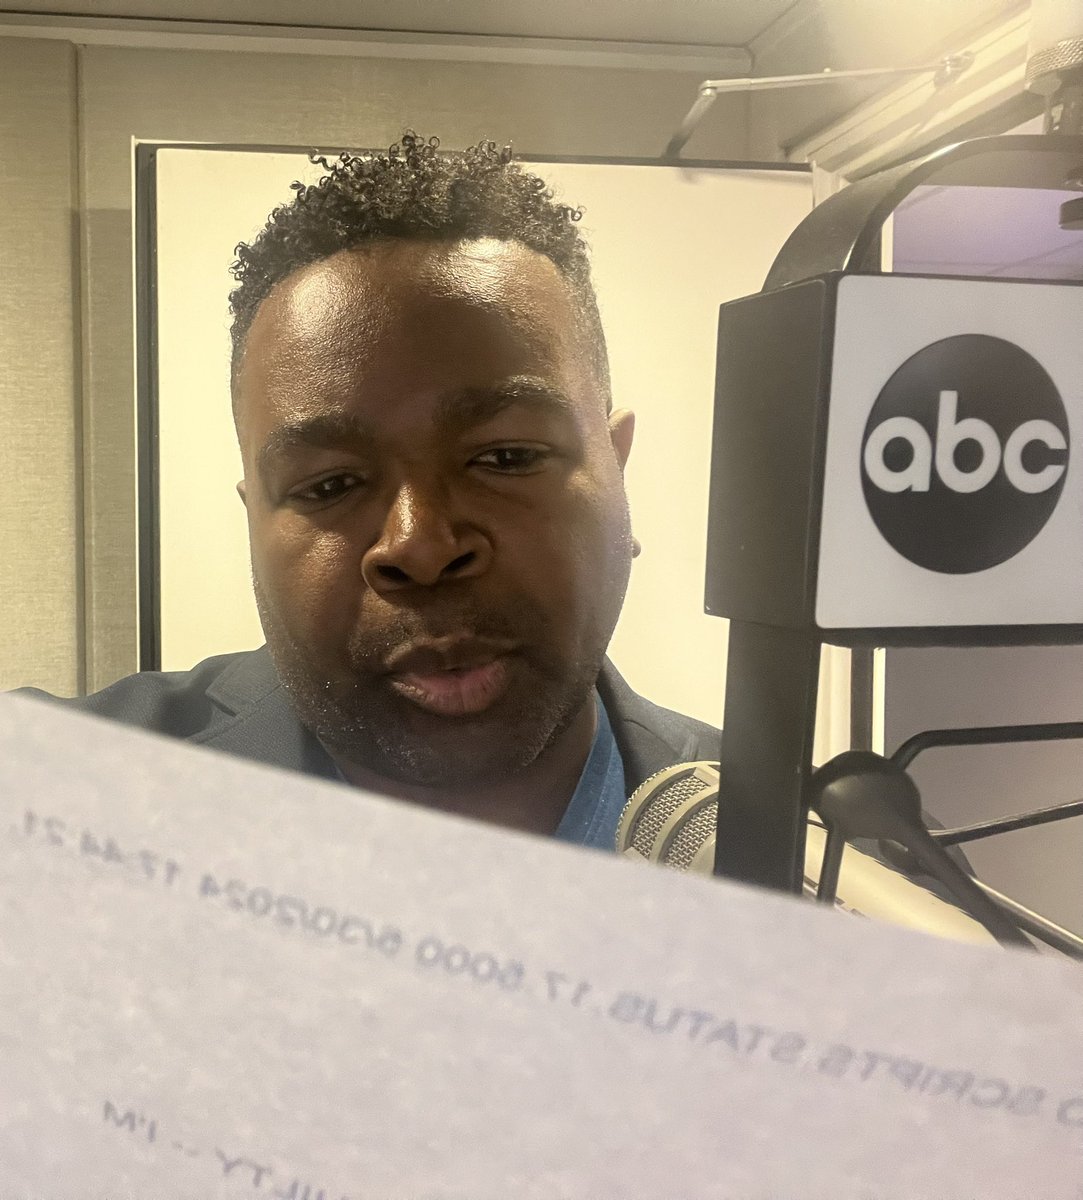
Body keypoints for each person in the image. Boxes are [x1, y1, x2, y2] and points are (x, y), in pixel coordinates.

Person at [24, 132, 720, 850]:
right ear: (253, 522)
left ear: (617, 469)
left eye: (506, 456)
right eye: (330, 484)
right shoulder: (51, 794)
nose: (420, 548)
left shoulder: (787, 835)